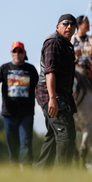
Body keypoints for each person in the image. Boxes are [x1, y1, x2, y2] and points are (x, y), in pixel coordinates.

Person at [35, 14, 77, 169]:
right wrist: (52, 98)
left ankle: (41, 177)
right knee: (65, 135)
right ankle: (62, 177)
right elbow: (50, 72)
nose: (69, 26)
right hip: (51, 94)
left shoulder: (66, 45)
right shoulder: (54, 43)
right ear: (57, 26)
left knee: (53, 137)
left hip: (62, 94)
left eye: (73, 24)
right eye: (65, 23)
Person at [0, 41, 38, 168]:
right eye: (15, 51)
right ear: (11, 53)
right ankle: (14, 167)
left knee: (25, 142)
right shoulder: (4, 68)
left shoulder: (31, 69)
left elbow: (39, 88)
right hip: (9, 113)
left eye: (20, 51)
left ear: (24, 53)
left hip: (26, 113)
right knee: (12, 142)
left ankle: (26, 169)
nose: (17, 54)